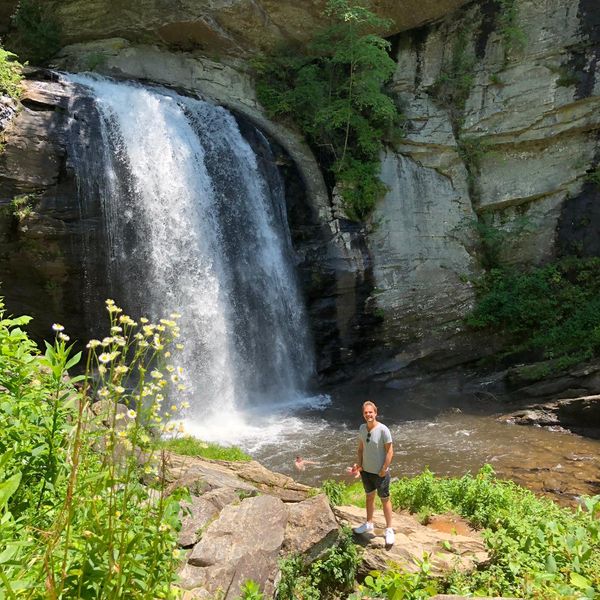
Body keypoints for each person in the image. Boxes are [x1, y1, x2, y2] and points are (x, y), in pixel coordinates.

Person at [352, 400, 395, 545]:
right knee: (369, 497)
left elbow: (390, 451)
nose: (368, 415)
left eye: (370, 412)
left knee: (385, 499)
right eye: (365, 413)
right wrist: (359, 464)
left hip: (380, 472)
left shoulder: (383, 429)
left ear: (375, 413)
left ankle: (389, 529)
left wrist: (384, 468)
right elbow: (360, 448)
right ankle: (369, 523)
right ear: (363, 415)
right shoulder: (362, 428)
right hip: (366, 471)